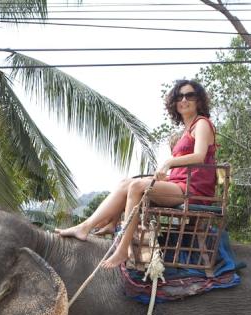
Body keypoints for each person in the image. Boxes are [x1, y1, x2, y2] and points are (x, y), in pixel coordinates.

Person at [56, 79, 218, 268]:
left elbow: (199, 156)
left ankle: (122, 250)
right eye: (179, 96)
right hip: (179, 183)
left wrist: (169, 162)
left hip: (192, 190)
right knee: (126, 182)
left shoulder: (202, 124)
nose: (184, 99)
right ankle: (89, 226)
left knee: (136, 186)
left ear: (198, 100)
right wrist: (166, 175)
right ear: (174, 102)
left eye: (189, 95)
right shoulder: (186, 130)